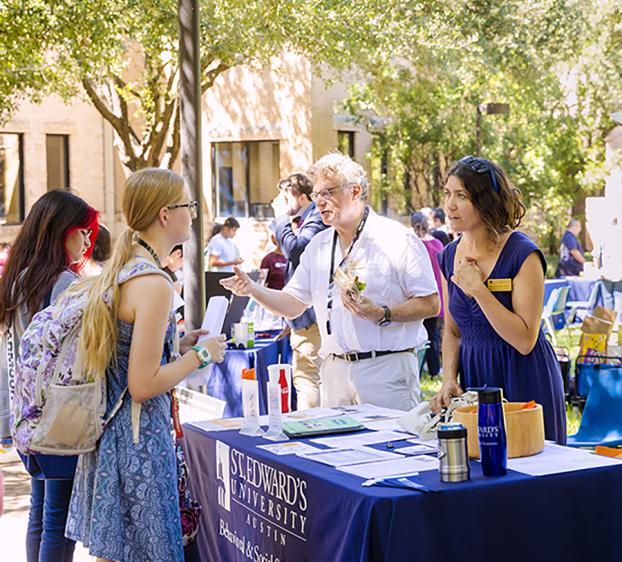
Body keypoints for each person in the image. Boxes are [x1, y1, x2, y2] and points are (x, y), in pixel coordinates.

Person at [65, 168, 227, 561]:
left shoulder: (123, 271)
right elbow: (142, 383)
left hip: (113, 437)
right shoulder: (152, 283)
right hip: (138, 443)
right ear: (165, 214)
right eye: (189, 205)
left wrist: (178, 344)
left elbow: (127, 356)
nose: (194, 213)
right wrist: (201, 356)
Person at [222, 153, 439, 411]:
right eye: (316, 195)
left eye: (328, 193)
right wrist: (253, 289)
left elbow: (430, 303)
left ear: (355, 191)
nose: (320, 202)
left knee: (389, 450)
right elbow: (292, 304)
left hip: (385, 371)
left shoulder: (396, 239)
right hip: (334, 372)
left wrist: (383, 313)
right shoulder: (319, 246)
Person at [430, 156, 566, 444]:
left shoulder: (522, 254)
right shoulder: (447, 257)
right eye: (447, 194)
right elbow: (452, 331)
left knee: (532, 476)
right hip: (476, 377)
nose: (450, 205)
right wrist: (449, 379)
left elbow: (525, 340)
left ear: (486, 201)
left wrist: (479, 290)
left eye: (461, 196)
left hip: (523, 374)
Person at [0, 189, 99, 562]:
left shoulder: (18, 278)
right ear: (62, 232)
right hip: (60, 416)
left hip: (27, 416)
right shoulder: (64, 285)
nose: (87, 240)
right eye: (82, 232)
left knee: (40, 514)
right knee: (58, 521)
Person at [270, 173, 328, 409]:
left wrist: (281, 217)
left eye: (284, 198)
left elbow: (295, 251)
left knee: (307, 379)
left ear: (302, 197)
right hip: (302, 316)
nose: (279, 202)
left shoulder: (316, 218)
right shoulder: (308, 218)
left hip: (312, 320)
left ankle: (311, 433)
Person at [411, 212, 444, 377]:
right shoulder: (437, 244)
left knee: (421, 336)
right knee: (434, 334)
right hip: (437, 295)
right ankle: (434, 370)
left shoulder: (414, 244)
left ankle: (421, 368)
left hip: (419, 296)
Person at [599, 213, 622, 324]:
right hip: (619, 271)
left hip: (606, 271)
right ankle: (618, 325)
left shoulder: (604, 235)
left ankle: (609, 325)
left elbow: (596, 254)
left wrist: (599, 269)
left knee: (607, 298)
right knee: (619, 298)